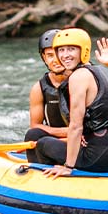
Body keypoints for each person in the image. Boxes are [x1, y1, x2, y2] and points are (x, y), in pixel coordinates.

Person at [38, 28, 108, 176]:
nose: (65, 55)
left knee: (43, 144)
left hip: (101, 156)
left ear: (82, 51)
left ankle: (46, 185)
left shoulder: (77, 77)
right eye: (61, 50)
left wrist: (68, 167)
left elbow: (76, 127)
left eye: (71, 49)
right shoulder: (100, 70)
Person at [24, 29, 68, 164]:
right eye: (49, 55)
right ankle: (39, 172)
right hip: (61, 139)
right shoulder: (38, 88)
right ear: (44, 58)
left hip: (86, 139)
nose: (55, 60)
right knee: (33, 134)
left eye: (58, 53)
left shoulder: (84, 77)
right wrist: (65, 132)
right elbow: (35, 125)